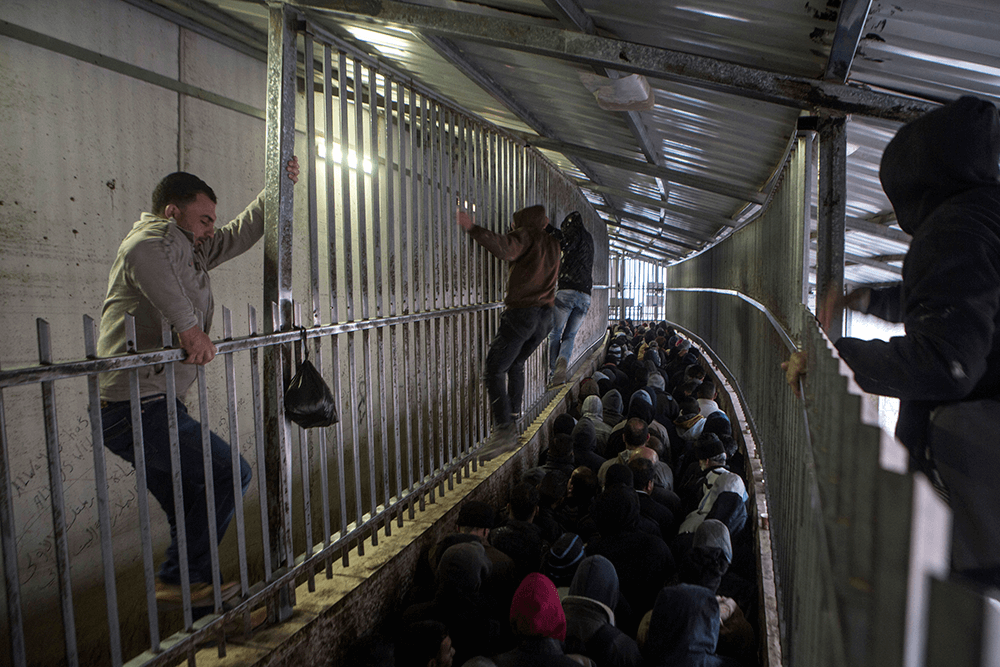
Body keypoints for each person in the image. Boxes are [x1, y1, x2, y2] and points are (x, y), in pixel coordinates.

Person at [784, 96, 1000, 589]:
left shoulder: (954, 228)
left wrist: (833, 359)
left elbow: (948, 362)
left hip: (977, 476)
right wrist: (865, 299)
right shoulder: (986, 214)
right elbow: (958, 295)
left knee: (945, 608)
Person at [98, 159, 299, 609]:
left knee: (193, 502)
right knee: (231, 473)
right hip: (136, 407)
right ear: (172, 212)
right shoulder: (152, 239)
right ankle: (184, 580)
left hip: (149, 405)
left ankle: (197, 595)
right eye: (204, 219)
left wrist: (276, 189)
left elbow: (239, 233)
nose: (211, 228)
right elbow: (139, 256)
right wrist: (190, 329)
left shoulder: (190, 249)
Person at [458, 204, 560, 461]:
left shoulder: (528, 235)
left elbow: (506, 248)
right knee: (516, 362)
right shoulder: (554, 244)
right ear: (544, 221)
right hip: (545, 318)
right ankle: (514, 418)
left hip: (522, 314)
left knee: (494, 369)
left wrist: (473, 228)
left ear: (522, 222)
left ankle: (504, 431)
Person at [546, 211, 595, 387]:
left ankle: (554, 373)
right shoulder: (589, 239)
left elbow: (565, 244)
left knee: (555, 333)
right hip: (586, 296)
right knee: (570, 335)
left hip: (567, 291)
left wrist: (548, 229)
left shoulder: (573, 234)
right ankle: (563, 362)